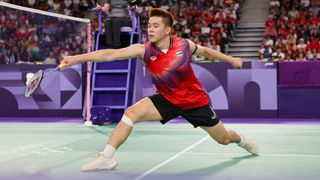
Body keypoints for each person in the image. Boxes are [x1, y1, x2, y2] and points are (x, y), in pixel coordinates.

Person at [61, 8, 259, 171]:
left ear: (167, 30)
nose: (151, 29)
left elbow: (205, 51)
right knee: (132, 112)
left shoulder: (183, 45)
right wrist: (77, 58)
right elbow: (111, 54)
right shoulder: (144, 50)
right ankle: (107, 157)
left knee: (224, 139)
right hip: (167, 99)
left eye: (156, 26)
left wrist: (231, 59)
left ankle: (242, 141)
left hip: (194, 102)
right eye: (149, 25)